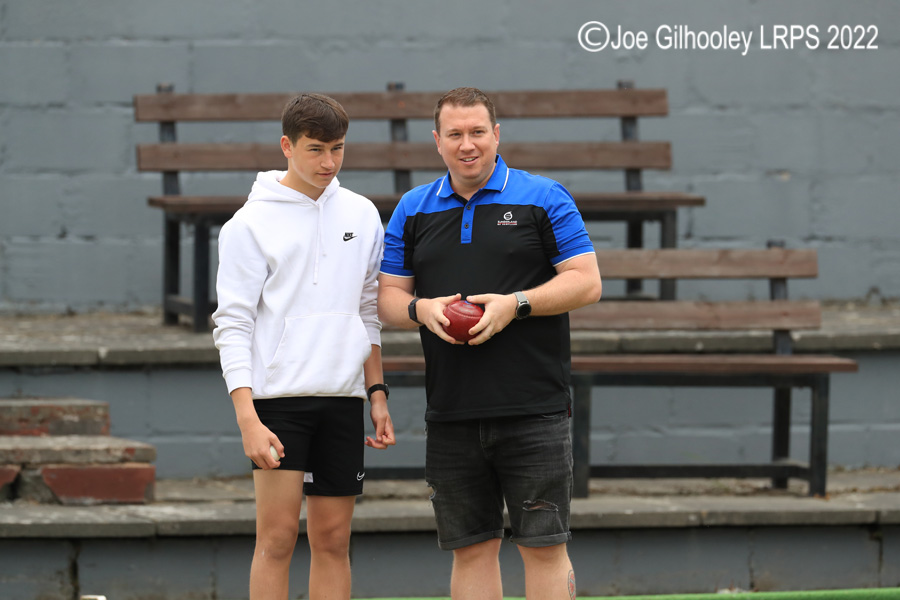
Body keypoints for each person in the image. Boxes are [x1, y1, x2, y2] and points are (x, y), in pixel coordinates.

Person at [378, 87, 602, 600]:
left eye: (478, 132)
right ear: (437, 141)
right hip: (452, 411)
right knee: (471, 549)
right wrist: (421, 309)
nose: (467, 145)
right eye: (454, 134)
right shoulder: (412, 209)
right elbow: (387, 297)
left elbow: (587, 282)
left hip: (535, 410)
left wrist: (514, 304)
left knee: (543, 548)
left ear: (497, 135)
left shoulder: (544, 197)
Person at [212, 93, 395, 600]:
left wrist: (376, 392)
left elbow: (367, 311)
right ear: (287, 146)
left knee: (334, 540)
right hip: (276, 403)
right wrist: (247, 417)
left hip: (343, 398)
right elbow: (233, 325)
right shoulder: (247, 225)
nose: (329, 163)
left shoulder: (361, 212)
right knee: (277, 539)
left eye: (338, 148)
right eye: (316, 149)